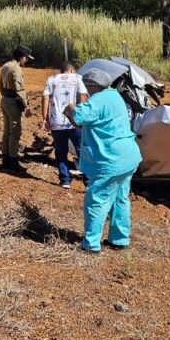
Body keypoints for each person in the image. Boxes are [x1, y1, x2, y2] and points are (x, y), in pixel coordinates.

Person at [64, 69, 142, 253]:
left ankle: (91, 244)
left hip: (111, 159)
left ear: (93, 85)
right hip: (128, 156)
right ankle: (120, 239)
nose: (86, 89)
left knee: (97, 199)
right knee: (120, 198)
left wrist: (69, 109)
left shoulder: (98, 100)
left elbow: (78, 118)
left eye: (87, 86)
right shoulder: (115, 97)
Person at [41, 61, 88, 188]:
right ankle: (88, 181)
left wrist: (44, 118)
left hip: (57, 121)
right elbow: (83, 95)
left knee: (61, 151)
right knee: (81, 150)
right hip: (75, 121)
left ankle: (65, 180)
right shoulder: (78, 78)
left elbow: (45, 98)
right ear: (72, 70)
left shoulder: (51, 79)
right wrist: (82, 115)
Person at [0, 44, 32, 172]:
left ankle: (5, 159)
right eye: (26, 58)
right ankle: (13, 161)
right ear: (21, 57)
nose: (27, 60)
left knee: (6, 131)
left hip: (5, 101)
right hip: (13, 102)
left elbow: (0, 86)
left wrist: (5, 98)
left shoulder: (5, 66)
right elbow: (19, 90)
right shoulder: (16, 69)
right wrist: (26, 106)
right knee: (15, 132)